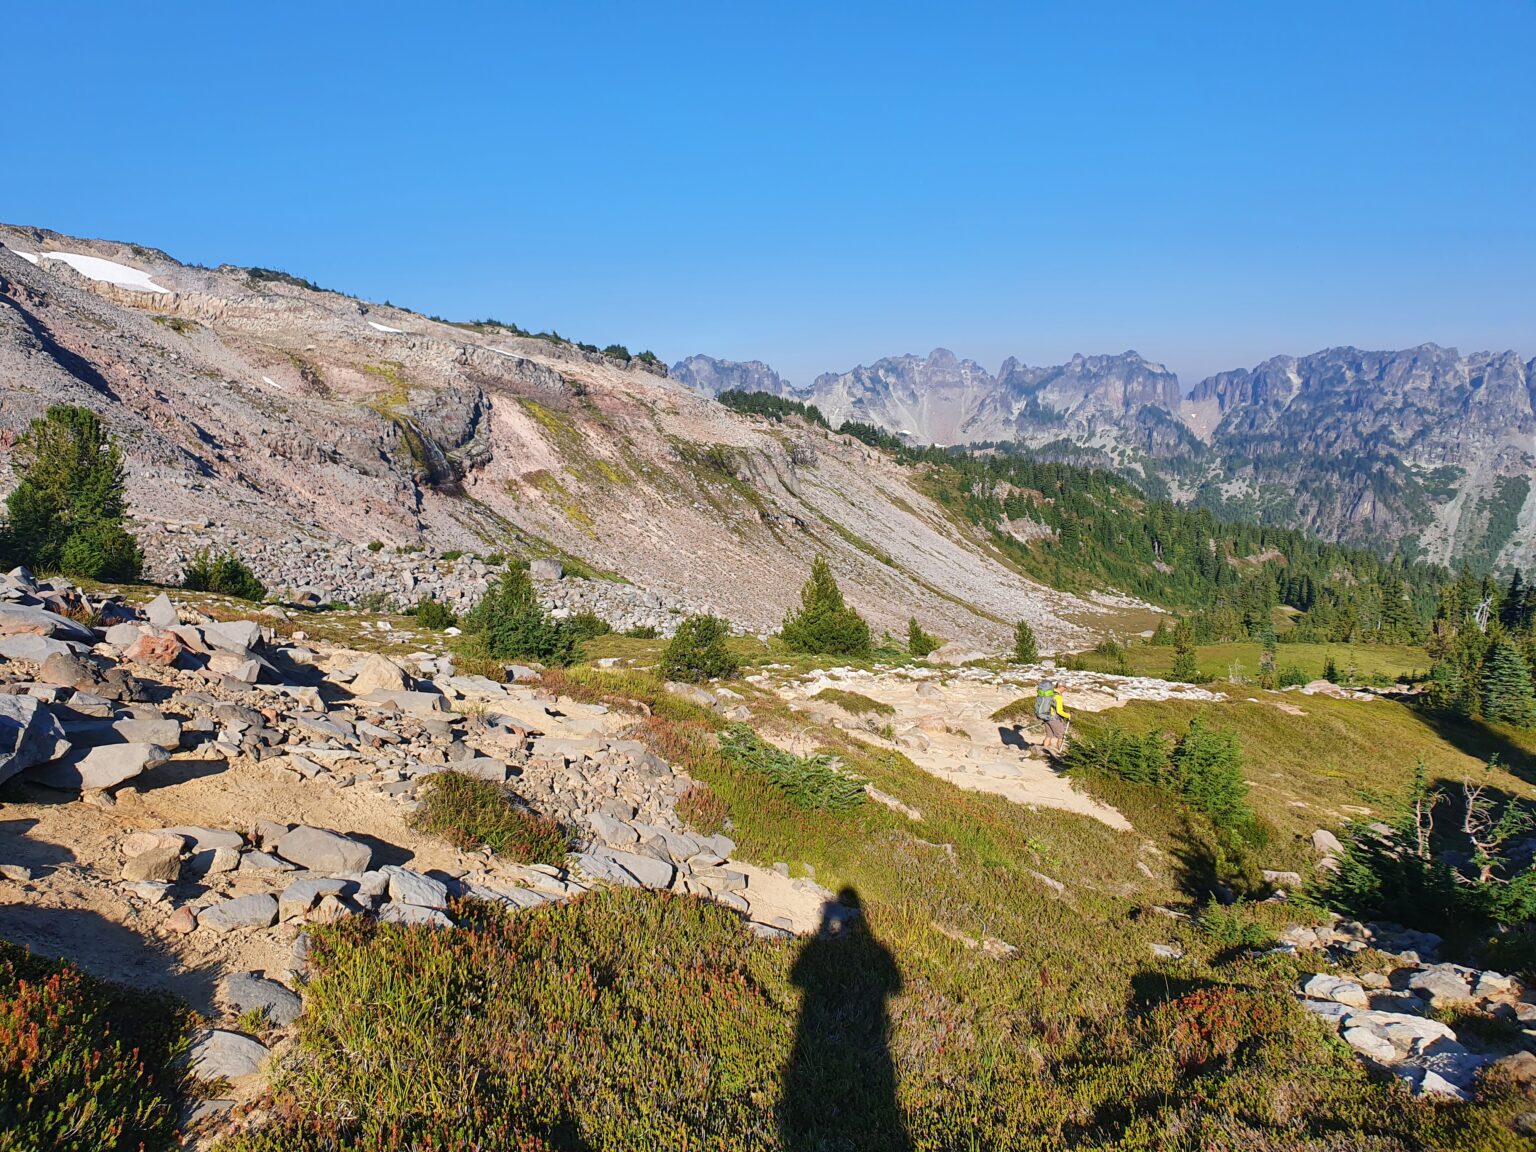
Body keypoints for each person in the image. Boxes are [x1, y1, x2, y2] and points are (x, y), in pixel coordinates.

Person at [1034, 679, 1071, 752]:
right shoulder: (1058, 696)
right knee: (1062, 736)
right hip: (1053, 719)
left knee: (1049, 736)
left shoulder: (1050, 693)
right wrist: (1068, 715)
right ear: (1061, 687)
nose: (1065, 689)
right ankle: (1061, 753)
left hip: (1046, 717)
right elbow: (1059, 711)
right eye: (1065, 688)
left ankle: (1043, 751)